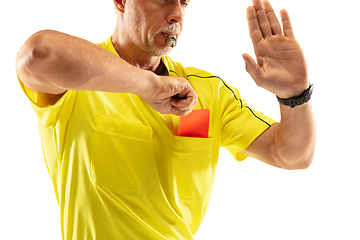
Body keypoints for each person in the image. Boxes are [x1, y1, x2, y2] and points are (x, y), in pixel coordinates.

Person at [15, 0, 316, 239]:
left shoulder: (206, 92)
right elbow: (37, 54)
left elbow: (291, 154)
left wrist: (295, 95)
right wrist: (148, 85)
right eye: (163, 0)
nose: (177, 15)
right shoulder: (77, 77)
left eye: (184, 2)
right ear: (121, 1)